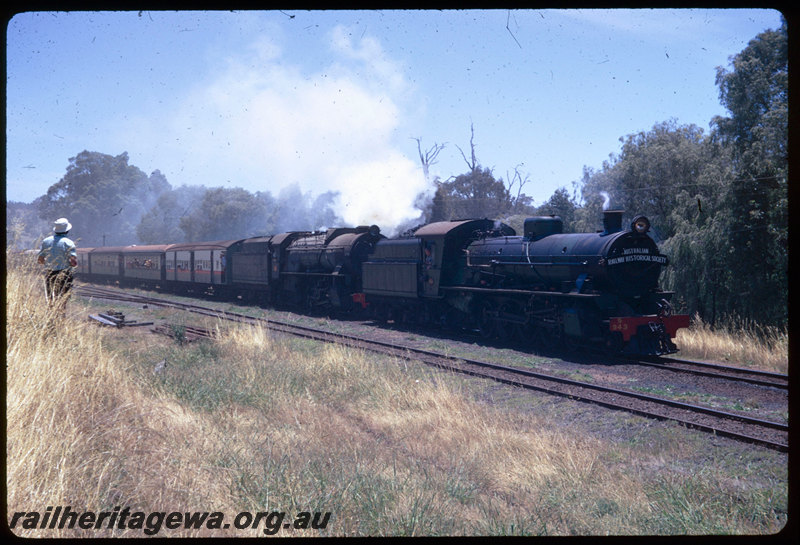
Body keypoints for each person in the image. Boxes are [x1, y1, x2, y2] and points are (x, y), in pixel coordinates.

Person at [38, 217, 78, 315]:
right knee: (62, 300)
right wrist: (70, 263)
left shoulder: (46, 241)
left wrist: (48, 263)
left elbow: (40, 260)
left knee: (51, 298)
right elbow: (73, 262)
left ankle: (51, 317)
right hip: (64, 275)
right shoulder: (68, 243)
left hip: (50, 273)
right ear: (67, 230)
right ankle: (61, 318)